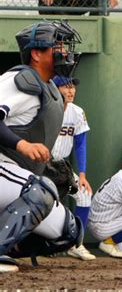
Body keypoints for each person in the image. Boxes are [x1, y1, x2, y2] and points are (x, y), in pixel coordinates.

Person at [0, 19, 83, 273]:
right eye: (56, 46)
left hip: (9, 178)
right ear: (36, 53)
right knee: (41, 190)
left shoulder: (50, 89)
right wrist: (22, 145)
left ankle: (10, 244)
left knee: (70, 232)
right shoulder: (20, 80)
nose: (64, 51)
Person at [51, 75, 95, 261]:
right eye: (65, 87)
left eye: (73, 87)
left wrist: (82, 174)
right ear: (55, 89)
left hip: (62, 165)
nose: (71, 91)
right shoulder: (45, 109)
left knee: (84, 194)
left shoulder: (77, 112)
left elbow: (80, 144)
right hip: (41, 166)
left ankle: (77, 244)